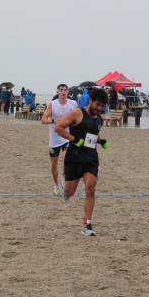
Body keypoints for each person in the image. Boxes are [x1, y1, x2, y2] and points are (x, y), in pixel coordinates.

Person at [54, 88, 110, 236]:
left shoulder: (99, 119)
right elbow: (58, 128)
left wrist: (101, 141)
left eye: (102, 106)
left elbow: (93, 134)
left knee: (91, 188)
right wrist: (73, 139)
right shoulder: (77, 113)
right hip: (74, 156)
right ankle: (65, 180)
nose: (99, 108)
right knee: (69, 193)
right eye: (97, 104)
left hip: (91, 157)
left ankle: (87, 225)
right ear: (90, 101)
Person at [42, 83, 79, 196]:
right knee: (54, 163)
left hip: (66, 137)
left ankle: (64, 176)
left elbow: (78, 118)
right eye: (61, 90)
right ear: (57, 92)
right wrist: (54, 121)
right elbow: (43, 119)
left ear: (68, 92)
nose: (63, 92)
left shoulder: (73, 103)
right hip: (54, 138)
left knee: (66, 157)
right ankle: (56, 184)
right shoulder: (52, 104)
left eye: (65, 90)